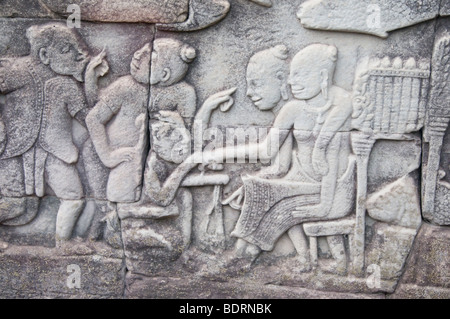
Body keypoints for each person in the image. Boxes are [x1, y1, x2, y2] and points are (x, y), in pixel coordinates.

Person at [199, 43, 356, 274]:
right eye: (292, 76)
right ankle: (244, 251)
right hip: (301, 182)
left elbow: (331, 164)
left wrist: (324, 205)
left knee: (273, 201)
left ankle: (245, 255)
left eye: (301, 75)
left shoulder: (340, 108)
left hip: (332, 190)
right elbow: (273, 158)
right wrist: (225, 159)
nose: (293, 82)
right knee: (257, 188)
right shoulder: (293, 109)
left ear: (323, 76)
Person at [0, 23, 107, 244]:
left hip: (56, 152)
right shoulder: (17, 71)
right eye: (67, 50)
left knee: (74, 198)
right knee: (16, 205)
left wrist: (90, 81)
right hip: (14, 151)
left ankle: (61, 245)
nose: (79, 55)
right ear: (45, 55)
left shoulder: (67, 87)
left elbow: (90, 119)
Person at [86, 43, 151, 203]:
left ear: (165, 73)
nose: (138, 54)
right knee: (117, 204)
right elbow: (94, 117)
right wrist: (107, 156)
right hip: (125, 160)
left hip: (149, 161)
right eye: (141, 49)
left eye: (150, 54)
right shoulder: (125, 86)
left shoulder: (175, 93)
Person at [149, 38, 197, 129]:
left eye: (151, 58)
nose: (137, 56)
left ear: (164, 74)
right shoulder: (128, 85)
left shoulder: (185, 92)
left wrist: (178, 121)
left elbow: (188, 126)